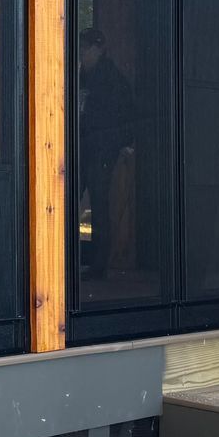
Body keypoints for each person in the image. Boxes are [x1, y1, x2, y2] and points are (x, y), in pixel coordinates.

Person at [76, 27, 135, 276]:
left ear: (98, 49)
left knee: (99, 204)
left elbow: (127, 116)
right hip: (82, 147)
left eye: (84, 47)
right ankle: (68, 257)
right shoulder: (82, 76)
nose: (81, 52)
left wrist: (118, 144)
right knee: (69, 199)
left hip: (101, 149)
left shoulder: (112, 79)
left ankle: (98, 264)